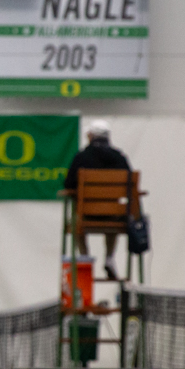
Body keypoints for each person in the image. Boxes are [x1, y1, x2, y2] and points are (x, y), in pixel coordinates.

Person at [64, 119, 131, 279]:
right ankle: (109, 258)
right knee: (113, 219)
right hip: (113, 216)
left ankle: (85, 258)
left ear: (90, 136)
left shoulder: (81, 157)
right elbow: (129, 184)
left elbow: (69, 184)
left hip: (87, 215)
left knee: (76, 221)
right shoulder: (119, 157)